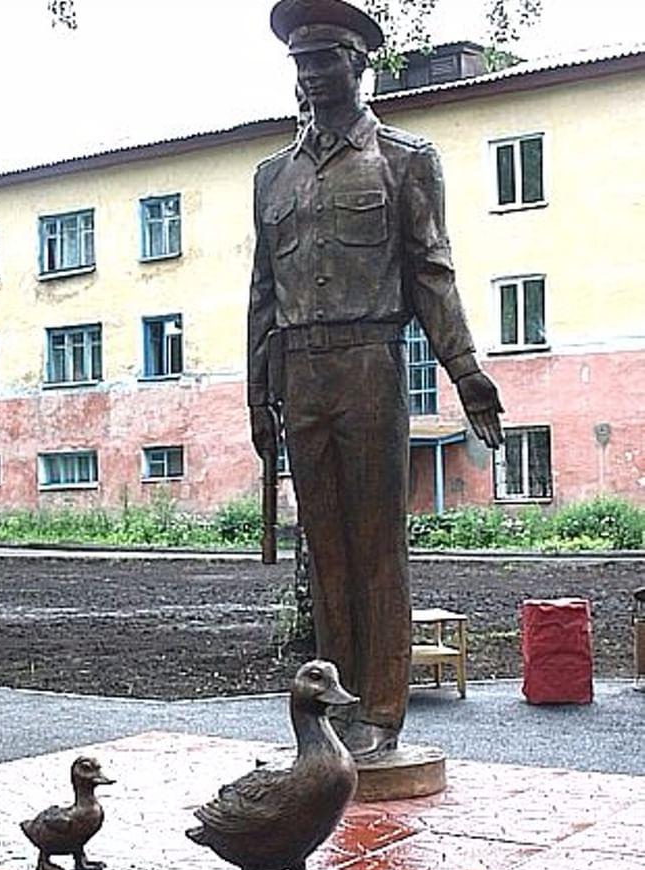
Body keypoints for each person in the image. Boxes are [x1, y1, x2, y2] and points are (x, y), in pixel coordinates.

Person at [248, 0, 504, 759]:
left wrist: (466, 371)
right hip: (300, 370)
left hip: (370, 363)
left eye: (324, 61)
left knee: (376, 545)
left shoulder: (404, 159)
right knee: (325, 547)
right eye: (300, 64)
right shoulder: (271, 176)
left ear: (359, 67)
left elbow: (432, 272)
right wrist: (259, 397)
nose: (310, 77)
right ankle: (338, 702)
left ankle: (382, 713)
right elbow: (263, 293)